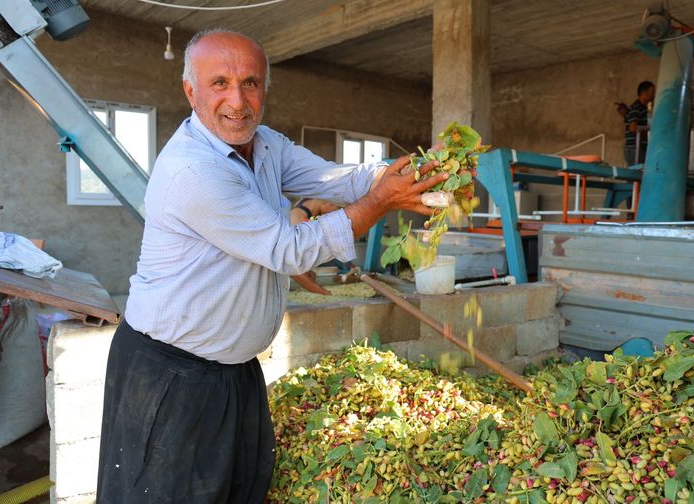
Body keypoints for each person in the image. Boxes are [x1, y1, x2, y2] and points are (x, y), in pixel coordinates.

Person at [95, 29, 452, 503]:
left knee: (240, 488)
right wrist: (383, 202)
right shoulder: (194, 171)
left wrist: (396, 174)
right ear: (190, 91)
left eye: (251, 83)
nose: (238, 101)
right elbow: (289, 249)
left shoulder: (265, 146)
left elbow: (332, 177)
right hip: (171, 375)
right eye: (219, 83)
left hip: (232, 370)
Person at [623, 81, 656, 166]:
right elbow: (633, 128)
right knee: (635, 175)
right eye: (652, 92)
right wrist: (649, 134)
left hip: (639, 148)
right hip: (635, 149)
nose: (654, 95)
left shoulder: (643, 108)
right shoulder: (637, 108)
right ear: (644, 93)